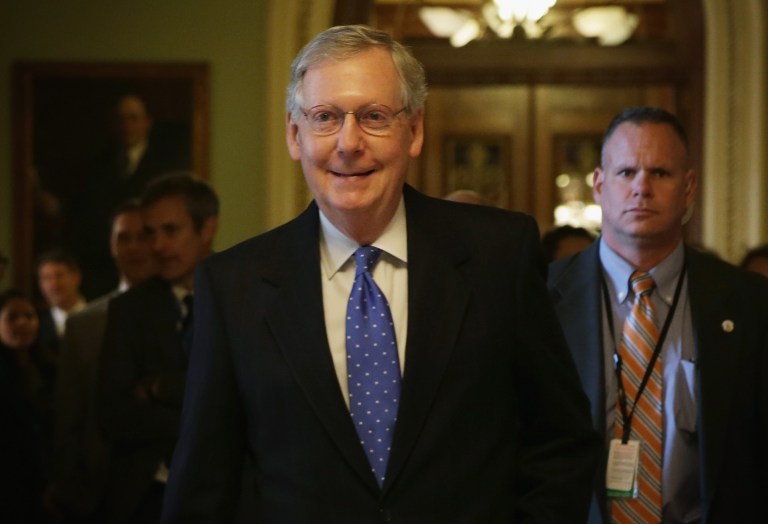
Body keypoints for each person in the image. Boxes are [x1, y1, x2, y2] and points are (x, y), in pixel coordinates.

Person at [162, 25, 599, 523]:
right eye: (325, 118)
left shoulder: (500, 254)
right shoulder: (233, 286)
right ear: (293, 134)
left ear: (414, 131)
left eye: (373, 117)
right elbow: (203, 483)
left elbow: (559, 441)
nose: (349, 143)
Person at [547, 106, 768, 523]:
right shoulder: (539, 297)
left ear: (688, 189)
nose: (642, 188)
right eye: (626, 172)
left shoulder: (750, 303)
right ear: (599, 185)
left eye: (660, 174)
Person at [97, 173, 218, 524]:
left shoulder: (244, 297)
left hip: (230, 498)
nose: (159, 246)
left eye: (171, 230)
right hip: (146, 499)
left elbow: (255, 400)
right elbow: (113, 416)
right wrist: (207, 414)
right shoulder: (129, 310)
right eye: (152, 233)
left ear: (206, 228)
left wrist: (160, 387)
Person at [52, 200, 157, 523]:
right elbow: (68, 420)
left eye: (143, 236)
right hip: (100, 499)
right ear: (111, 246)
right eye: (124, 238)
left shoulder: (193, 312)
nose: (134, 247)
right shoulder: (83, 325)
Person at [66, 94, 190, 300]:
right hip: (103, 271)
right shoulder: (98, 164)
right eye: (121, 119)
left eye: (133, 118)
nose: (127, 125)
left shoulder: (168, 164)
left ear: (147, 122)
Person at [0, 289, 53, 523]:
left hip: (43, 484)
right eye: (12, 317)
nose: (22, 323)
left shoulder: (51, 369)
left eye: (29, 316)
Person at [36, 249, 87, 362]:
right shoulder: (36, 326)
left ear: (76, 277)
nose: (54, 284)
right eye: (47, 278)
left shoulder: (100, 317)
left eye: (59, 276)